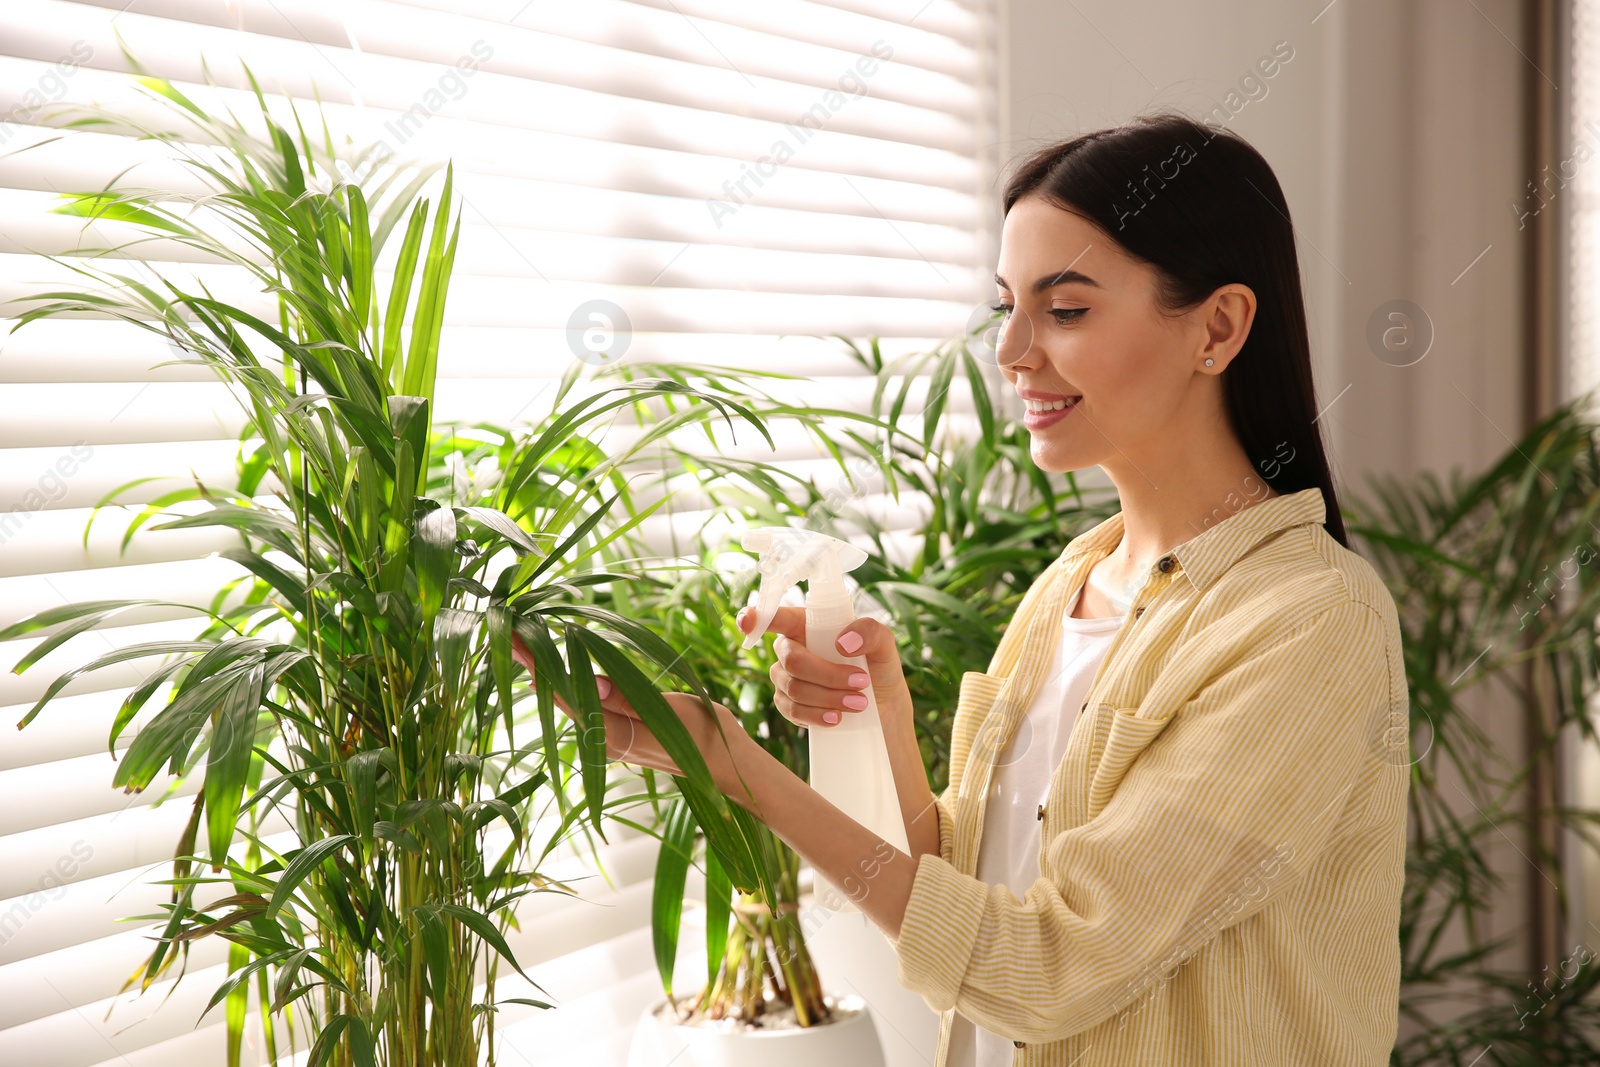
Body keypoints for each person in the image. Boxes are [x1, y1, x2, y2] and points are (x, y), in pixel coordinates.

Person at [511, 110, 1409, 1066]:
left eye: (1065, 310)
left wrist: (735, 763)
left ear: (1218, 327)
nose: (1014, 351)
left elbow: (1050, 965)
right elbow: (964, 907)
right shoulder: (1067, 586)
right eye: (1005, 307)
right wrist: (879, 718)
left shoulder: (1310, 623)